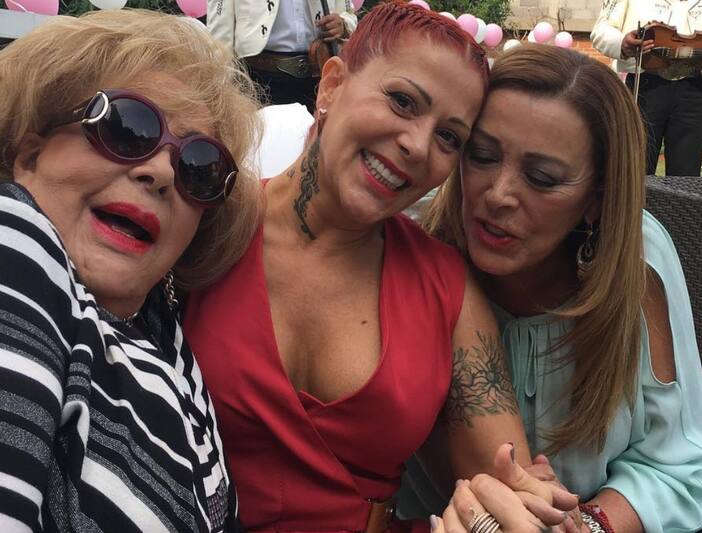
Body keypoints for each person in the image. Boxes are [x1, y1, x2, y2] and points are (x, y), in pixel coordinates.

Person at [182, 4, 576, 533]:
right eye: (403, 101)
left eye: (449, 137)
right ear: (331, 85)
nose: (417, 146)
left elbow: (503, 480)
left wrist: (519, 511)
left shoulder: (444, 287)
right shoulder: (205, 224)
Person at [400, 43, 702, 533]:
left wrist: (588, 525)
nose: (498, 195)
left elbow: (675, 464)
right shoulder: (412, 251)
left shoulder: (638, 262)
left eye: (542, 178)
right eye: (481, 156)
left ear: (597, 199)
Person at [0, 10, 263, 532]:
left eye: (199, 167)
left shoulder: (166, 334)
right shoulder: (18, 244)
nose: (161, 171)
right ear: (29, 156)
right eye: (126, 127)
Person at [591, 0, 702, 176]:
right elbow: (602, 29)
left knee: (686, 178)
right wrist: (622, 44)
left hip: (694, 87)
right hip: (644, 83)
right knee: (635, 170)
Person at [207, 0, 357, 111]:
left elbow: (348, 14)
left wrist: (342, 24)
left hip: (319, 75)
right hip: (258, 79)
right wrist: (222, 87)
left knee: (319, 142)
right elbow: (220, 35)